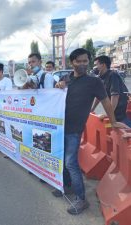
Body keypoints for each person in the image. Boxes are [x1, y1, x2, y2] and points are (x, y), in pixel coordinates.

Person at [54, 48, 127, 215]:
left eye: (85, 61)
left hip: (74, 129)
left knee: (71, 163)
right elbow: (54, 98)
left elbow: (107, 101)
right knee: (61, 157)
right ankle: (67, 187)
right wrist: (58, 86)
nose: (82, 64)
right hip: (59, 126)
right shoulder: (66, 79)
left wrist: (114, 121)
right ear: (72, 62)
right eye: (78, 61)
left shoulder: (94, 82)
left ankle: (81, 200)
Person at [91, 55, 131, 127]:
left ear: (103, 65)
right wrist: (92, 109)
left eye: (96, 65)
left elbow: (115, 96)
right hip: (114, 114)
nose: (95, 68)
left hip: (122, 113)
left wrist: (109, 114)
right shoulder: (100, 78)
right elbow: (99, 96)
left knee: (125, 132)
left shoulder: (112, 75)